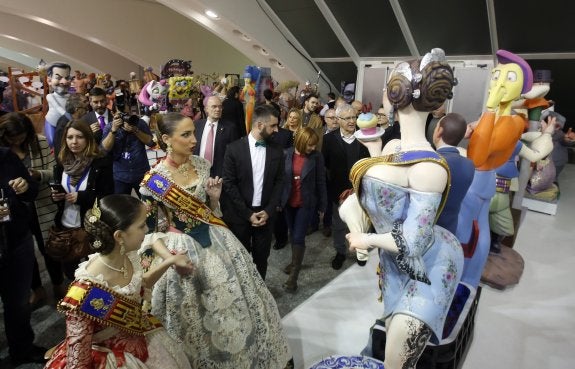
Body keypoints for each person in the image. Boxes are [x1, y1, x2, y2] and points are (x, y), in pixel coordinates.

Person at [340, 48, 462, 369]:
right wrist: (374, 151)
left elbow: (414, 241)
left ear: (395, 94)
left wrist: (365, 241)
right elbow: (376, 198)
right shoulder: (392, 147)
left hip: (425, 270)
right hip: (394, 265)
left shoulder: (429, 169)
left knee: (398, 360)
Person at [139, 112, 291, 368]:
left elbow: (209, 212)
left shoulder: (201, 164)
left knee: (231, 306)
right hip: (179, 249)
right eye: (185, 135)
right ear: (166, 139)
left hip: (215, 237)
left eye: (193, 133)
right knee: (195, 319)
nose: (193, 140)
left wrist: (213, 199)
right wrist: (170, 259)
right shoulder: (154, 180)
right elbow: (152, 233)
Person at [44, 195, 192, 369]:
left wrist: (169, 261)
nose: (146, 230)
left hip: (138, 334)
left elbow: (141, 284)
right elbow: (78, 361)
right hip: (108, 357)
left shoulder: (128, 254)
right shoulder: (84, 292)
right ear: (119, 236)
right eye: (142, 225)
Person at [457, 50, 532, 288]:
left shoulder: (512, 121)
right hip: (485, 179)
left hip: (479, 179)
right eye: (496, 75)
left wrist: (489, 109)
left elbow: (478, 155)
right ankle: (468, 276)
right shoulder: (504, 118)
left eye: (508, 79)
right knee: (479, 229)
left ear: (520, 88)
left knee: (465, 231)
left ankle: (463, 277)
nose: (498, 82)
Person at [0, 113, 63, 305]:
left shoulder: (40, 142)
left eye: (21, 135)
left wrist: (36, 175)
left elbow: (54, 171)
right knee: (25, 254)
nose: (18, 140)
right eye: (13, 137)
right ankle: (37, 288)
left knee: (49, 246)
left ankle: (58, 284)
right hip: (15, 213)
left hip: (42, 204)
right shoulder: (3, 152)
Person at [222, 104, 285, 280]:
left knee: (262, 258)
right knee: (240, 259)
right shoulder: (234, 149)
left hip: (266, 214)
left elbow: (280, 182)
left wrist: (269, 210)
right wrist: (247, 214)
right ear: (259, 125)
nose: (276, 130)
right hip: (240, 215)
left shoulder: (277, 150)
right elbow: (229, 184)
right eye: (273, 125)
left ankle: (260, 292)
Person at [52, 120, 114, 280]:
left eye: (79, 137)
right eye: (70, 137)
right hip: (66, 228)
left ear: (87, 138)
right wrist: (57, 197)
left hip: (91, 228)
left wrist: (82, 197)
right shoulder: (61, 164)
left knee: (95, 275)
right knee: (71, 275)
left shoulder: (100, 163)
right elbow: (60, 192)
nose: (74, 142)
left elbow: (108, 196)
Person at [0, 148, 45, 366]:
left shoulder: (6, 156)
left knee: (18, 303)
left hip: (16, 241)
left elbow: (31, 190)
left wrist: (25, 186)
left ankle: (22, 349)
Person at [321, 103, 369, 270]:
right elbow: (324, 166)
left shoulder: (364, 138)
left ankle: (361, 252)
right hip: (337, 192)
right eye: (347, 118)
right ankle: (340, 252)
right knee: (339, 225)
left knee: (360, 224)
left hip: (361, 191)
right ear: (338, 120)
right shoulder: (327, 140)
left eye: (353, 117)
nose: (351, 121)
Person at [280, 127, 327, 292]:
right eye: (310, 145)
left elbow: (321, 181)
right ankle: (294, 262)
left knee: (299, 237)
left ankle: (293, 277)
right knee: (293, 234)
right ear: (300, 142)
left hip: (306, 204)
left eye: (314, 145)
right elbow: (280, 180)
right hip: (288, 202)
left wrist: (323, 205)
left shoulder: (316, 157)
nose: (313, 148)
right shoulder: (286, 154)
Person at [432, 112, 475, 235]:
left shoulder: (434, 162)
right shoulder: (469, 165)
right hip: (450, 228)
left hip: (428, 228)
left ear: (439, 131)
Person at [101, 110, 154, 196]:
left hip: (142, 173)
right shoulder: (110, 126)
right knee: (122, 207)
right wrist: (114, 130)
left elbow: (150, 142)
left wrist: (135, 130)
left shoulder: (139, 123)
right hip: (120, 175)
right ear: (113, 113)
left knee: (148, 205)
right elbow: (105, 149)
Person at [193, 95, 239, 178]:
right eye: (214, 106)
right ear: (206, 109)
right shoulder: (197, 126)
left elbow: (234, 154)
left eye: (220, 107)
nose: (218, 109)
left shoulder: (230, 128)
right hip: (197, 172)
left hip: (219, 176)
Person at [53, 93, 90, 158]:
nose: (87, 112)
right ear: (77, 110)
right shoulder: (63, 125)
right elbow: (60, 151)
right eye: (85, 109)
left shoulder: (72, 120)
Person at [44, 62, 72, 148]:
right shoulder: (50, 96)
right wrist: (66, 114)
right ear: (49, 80)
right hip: (52, 122)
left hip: (66, 124)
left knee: (66, 143)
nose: (64, 82)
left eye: (67, 78)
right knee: (52, 143)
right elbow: (57, 107)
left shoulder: (71, 97)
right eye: (58, 78)